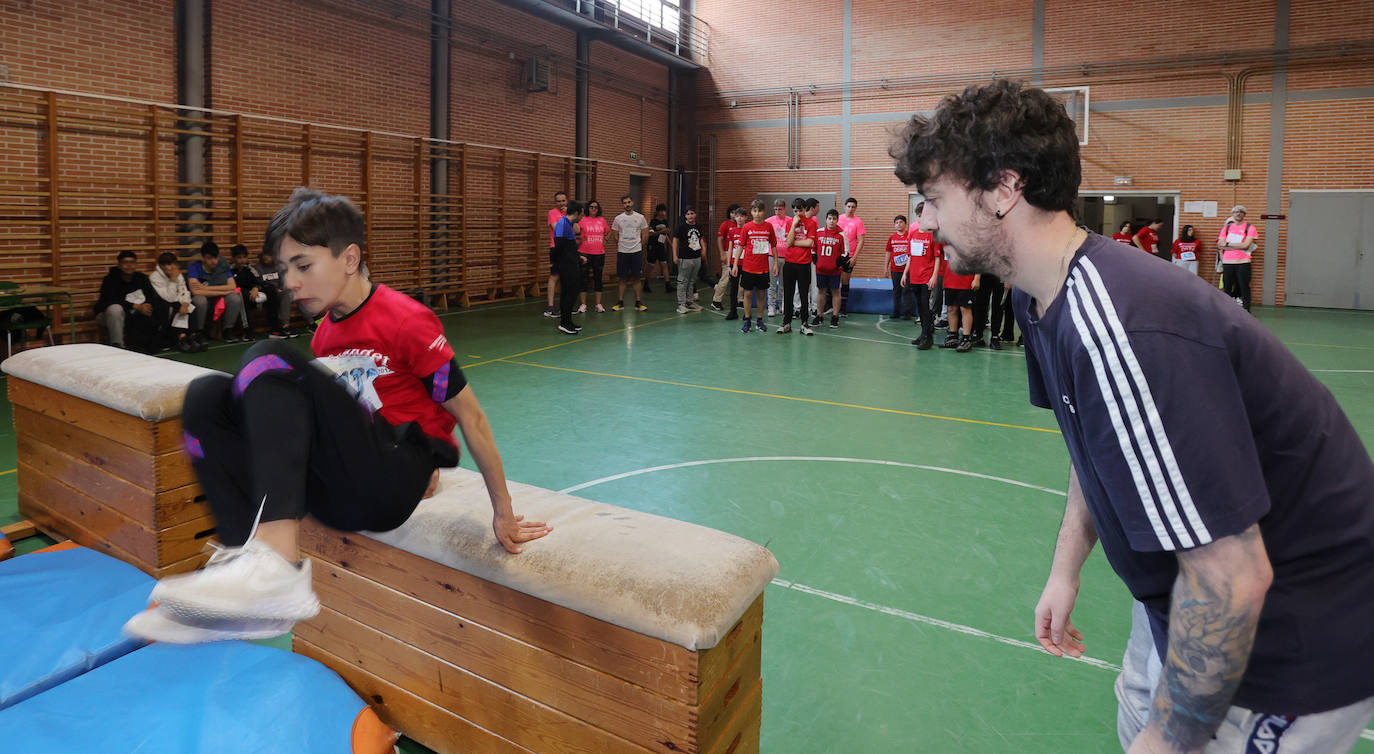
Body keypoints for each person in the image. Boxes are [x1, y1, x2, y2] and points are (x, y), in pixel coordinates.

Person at [894, 78, 1374, 754]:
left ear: (1003, 188)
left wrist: (1173, 738)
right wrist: (1066, 570)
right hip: (1181, 599)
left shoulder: (1122, 324)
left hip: (1286, 638)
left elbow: (1232, 580)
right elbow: (1091, 446)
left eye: (933, 200)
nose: (924, 224)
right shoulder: (1043, 300)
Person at [124, 188, 552, 644]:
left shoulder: (407, 320)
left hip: (393, 479)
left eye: (303, 266)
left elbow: (472, 417)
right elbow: (330, 420)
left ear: (349, 259)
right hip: (346, 487)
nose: (289, 282)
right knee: (206, 395)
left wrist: (502, 511)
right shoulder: (326, 335)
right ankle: (243, 559)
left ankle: (276, 567)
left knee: (267, 357)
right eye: (284, 269)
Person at [94, 251, 161, 353]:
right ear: (119, 264)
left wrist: (147, 304)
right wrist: (134, 306)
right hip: (108, 315)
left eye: (132, 262)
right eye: (125, 262)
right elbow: (109, 300)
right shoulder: (110, 280)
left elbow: (151, 295)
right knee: (115, 309)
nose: (129, 265)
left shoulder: (141, 278)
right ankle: (118, 346)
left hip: (135, 313)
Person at [187, 241, 246, 343]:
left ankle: (228, 330)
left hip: (217, 296)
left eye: (216, 258)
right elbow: (195, 291)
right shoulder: (194, 267)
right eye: (209, 258)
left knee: (234, 297)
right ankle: (200, 332)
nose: (214, 261)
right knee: (200, 301)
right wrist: (222, 291)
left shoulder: (222, 266)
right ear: (203, 257)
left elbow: (232, 286)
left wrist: (204, 288)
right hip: (204, 297)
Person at [733, 199, 777, 333]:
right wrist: (735, 264)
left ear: (764, 212)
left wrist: (775, 263)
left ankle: (759, 320)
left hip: (763, 267)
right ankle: (747, 320)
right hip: (748, 267)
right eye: (754, 211)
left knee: (762, 293)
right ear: (751, 212)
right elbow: (740, 246)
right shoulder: (747, 227)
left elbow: (773, 246)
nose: (757, 214)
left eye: (760, 211)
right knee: (747, 293)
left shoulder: (768, 227)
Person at [902, 208, 941, 349]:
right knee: (920, 306)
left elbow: (937, 258)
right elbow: (911, 256)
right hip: (915, 276)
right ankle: (923, 333)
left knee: (926, 306)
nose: (921, 218)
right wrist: (905, 273)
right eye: (918, 216)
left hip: (927, 277)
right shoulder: (913, 234)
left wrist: (934, 276)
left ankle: (927, 337)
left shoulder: (933, 236)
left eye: (923, 216)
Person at [149, 251, 203, 353]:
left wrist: (185, 303)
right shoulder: (155, 277)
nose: (171, 267)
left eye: (173, 264)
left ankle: (192, 336)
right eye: (168, 265)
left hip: (177, 301)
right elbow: (169, 297)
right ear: (161, 266)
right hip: (162, 304)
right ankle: (180, 338)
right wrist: (173, 280)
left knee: (191, 306)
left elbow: (184, 291)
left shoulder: (177, 273)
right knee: (175, 307)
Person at [779, 198, 815, 335]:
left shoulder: (811, 223)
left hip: (804, 264)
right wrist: (794, 225)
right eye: (795, 210)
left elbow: (809, 243)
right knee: (788, 294)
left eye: (800, 210)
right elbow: (788, 243)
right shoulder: (789, 223)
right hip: (790, 263)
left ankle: (804, 323)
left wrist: (795, 242)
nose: (798, 213)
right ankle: (786, 322)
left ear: (805, 209)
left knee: (803, 294)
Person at [608, 194, 649, 312]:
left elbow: (645, 233)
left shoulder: (640, 217)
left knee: (637, 278)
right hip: (622, 252)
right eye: (625, 203)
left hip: (636, 252)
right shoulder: (618, 219)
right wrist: (621, 245)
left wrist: (639, 245)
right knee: (622, 278)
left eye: (629, 202)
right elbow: (615, 235)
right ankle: (620, 302)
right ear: (623, 205)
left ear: (633, 203)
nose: (627, 205)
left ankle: (638, 302)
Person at [552, 201, 586, 334]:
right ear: (577, 213)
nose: (583, 216)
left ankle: (568, 321)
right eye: (582, 214)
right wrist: (559, 263)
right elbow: (559, 247)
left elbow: (569, 247)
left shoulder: (568, 224)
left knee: (571, 292)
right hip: (566, 265)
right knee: (568, 293)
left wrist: (578, 257)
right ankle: (564, 323)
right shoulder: (562, 224)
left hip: (571, 263)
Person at [1218, 205, 1258, 311]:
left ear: (1244, 214)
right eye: (1235, 211)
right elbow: (1219, 245)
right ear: (1232, 214)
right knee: (1227, 288)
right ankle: (1226, 311)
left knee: (1244, 287)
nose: (1238, 213)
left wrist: (1227, 244)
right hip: (1227, 262)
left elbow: (1246, 245)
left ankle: (1246, 311)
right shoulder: (1226, 228)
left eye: (1241, 212)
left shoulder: (1250, 228)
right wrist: (1237, 245)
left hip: (1243, 262)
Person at [813, 209, 847, 329]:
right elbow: (813, 248)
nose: (832, 221)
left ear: (837, 220)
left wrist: (838, 263)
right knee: (821, 292)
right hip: (821, 270)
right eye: (829, 218)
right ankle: (819, 316)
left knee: (835, 292)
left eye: (834, 219)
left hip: (834, 271)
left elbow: (846, 252)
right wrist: (815, 259)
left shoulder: (841, 234)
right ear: (826, 219)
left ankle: (835, 317)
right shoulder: (819, 232)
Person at [252, 246, 294, 338]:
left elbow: (283, 281)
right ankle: (276, 327)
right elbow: (256, 282)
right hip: (266, 292)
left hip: (278, 291)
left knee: (286, 293)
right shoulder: (257, 268)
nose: (266, 257)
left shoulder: (278, 267)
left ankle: (285, 325)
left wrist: (281, 288)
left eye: (269, 255)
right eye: (264, 255)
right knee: (272, 292)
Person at [577, 200, 609, 313]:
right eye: (591, 207)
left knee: (598, 278)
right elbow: (576, 233)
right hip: (585, 252)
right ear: (588, 208)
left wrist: (606, 239)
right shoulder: (582, 220)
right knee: (583, 279)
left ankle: (598, 304)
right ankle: (583, 304)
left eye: (596, 207)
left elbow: (608, 232)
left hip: (599, 253)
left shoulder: (602, 220)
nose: (593, 209)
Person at [836, 197, 866, 316]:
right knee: (833, 281)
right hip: (837, 255)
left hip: (850, 256)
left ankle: (843, 308)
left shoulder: (858, 222)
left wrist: (855, 257)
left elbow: (861, 240)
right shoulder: (838, 219)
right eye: (849, 206)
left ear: (856, 208)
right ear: (844, 207)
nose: (850, 209)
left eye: (853, 207)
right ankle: (830, 305)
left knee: (845, 281)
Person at [673, 207, 705, 314]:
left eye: (692, 213)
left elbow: (701, 239)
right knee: (683, 281)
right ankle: (681, 304)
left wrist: (704, 250)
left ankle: (690, 302)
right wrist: (675, 255)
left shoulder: (698, 226)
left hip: (696, 257)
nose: (690, 216)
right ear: (685, 216)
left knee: (691, 281)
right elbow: (675, 241)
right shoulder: (681, 227)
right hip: (685, 258)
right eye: (688, 214)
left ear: (695, 214)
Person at [763, 199, 791, 317]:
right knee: (772, 283)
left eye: (780, 209)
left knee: (784, 283)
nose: (778, 211)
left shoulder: (790, 221)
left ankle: (782, 304)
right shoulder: (769, 222)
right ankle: (771, 306)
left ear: (784, 209)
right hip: (772, 256)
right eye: (776, 209)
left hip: (787, 256)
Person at [711, 203, 741, 311]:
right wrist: (722, 253)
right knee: (725, 277)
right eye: (732, 213)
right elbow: (719, 239)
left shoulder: (741, 225)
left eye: (736, 213)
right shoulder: (725, 224)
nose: (734, 215)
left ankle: (739, 300)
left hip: (739, 254)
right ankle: (716, 300)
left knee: (740, 279)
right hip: (728, 253)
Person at [885, 216, 916, 320]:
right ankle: (896, 311)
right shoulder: (892, 238)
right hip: (895, 269)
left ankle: (908, 312)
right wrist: (886, 266)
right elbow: (888, 253)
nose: (899, 224)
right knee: (896, 290)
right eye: (896, 222)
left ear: (905, 224)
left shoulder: (909, 236)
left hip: (907, 270)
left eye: (901, 222)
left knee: (906, 290)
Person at [229, 244, 262, 340]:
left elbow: (258, 281)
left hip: (251, 295)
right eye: (239, 257)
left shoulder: (250, 269)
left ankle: (277, 328)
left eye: (244, 257)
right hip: (237, 296)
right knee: (241, 294)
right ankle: (246, 329)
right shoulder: (229, 270)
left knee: (271, 290)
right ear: (234, 258)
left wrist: (256, 288)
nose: (242, 260)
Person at [544, 191, 568, 318]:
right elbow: (557, 229)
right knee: (554, 276)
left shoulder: (569, 213)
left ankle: (566, 306)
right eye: (558, 201)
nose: (561, 203)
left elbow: (576, 229)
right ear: (555, 202)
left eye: (563, 201)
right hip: (556, 248)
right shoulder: (552, 213)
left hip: (568, 249)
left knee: (567, 277)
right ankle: (550, 307)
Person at [645, 204, 672, 294]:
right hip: (653, 245)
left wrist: (671, 245)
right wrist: (661, 231)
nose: (663, 213)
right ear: (658, 212)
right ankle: (646, 283)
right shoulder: (653, 222)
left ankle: (668, 285)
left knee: (664, 264)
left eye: (664, 211)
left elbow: (666, 235)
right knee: (651, 265)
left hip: (661, 246)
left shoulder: (665, 222)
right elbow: (650, 233)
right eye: (661, 211)